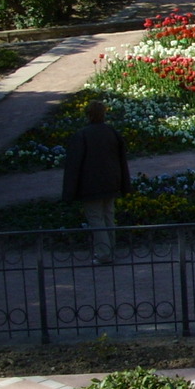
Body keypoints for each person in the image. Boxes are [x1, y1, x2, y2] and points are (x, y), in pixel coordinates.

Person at [61, 99, 131, 265]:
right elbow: (122, 160)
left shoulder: (82, 135)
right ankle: (110, 249)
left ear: (88, 114)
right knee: (108, 216)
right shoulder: (112, 132)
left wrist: (69, 192)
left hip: (91, 185)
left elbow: (74, 165)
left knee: (96, 218)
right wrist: (124, 184)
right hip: (112, 182)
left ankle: (104, 254)